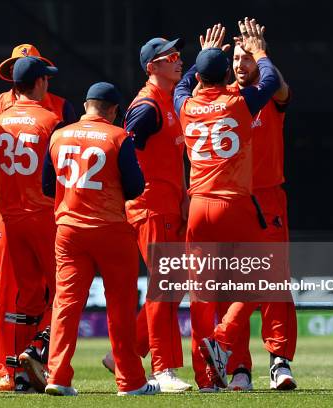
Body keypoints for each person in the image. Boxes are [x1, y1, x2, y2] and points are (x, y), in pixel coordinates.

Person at [173, 20, 280, 390]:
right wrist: (261, 49)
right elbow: (267, 81)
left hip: (199, 206)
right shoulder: (239, 102)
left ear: (201, 77)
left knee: (201, 296)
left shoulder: (185, 105)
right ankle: (222, 337)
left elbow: (183, 85)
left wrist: (201, 57)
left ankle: (206, 380)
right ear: (225, 76)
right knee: (262, 277)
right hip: (235, 204)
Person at [0, 44, 75, 392]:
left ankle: (33, 361)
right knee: (20, 293)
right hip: (38, 214)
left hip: (20, 214)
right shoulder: (1, 106)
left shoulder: (51, 108)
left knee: (30, 294)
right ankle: (12, 369)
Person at [42, 82, 159, 397]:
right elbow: (135, 188)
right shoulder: (118, 137)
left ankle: (58, 377)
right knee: (119, 308)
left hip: (68, 230)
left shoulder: (58, 135)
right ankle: (131, 383)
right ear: (114, 110)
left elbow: (47, 187)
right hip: (110, 229)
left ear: (86, 105)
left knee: (65, 306)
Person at [100, 37, 191, 393]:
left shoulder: (167, 99)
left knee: (172, 283)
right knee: (166, 284)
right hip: (151, 207)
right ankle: (162, 369)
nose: (178, 61)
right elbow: (123, 151)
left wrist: (182, 194)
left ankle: (128, 352)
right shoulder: (147, 106)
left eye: (179, 56)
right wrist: (129, 196)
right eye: (171, 58)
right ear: (152, 67)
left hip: (169, 204)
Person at [222, 38, 297, 392]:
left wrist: (264, 53)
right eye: (236, 58)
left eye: (247, 59)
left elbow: (281, 90)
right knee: (233, 285)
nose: (240, 64)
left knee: (274, 281)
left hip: (269, 201)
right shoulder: (221, 99)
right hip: (232, 201)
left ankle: (279, 362)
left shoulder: (269, 95)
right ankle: (238, 368)